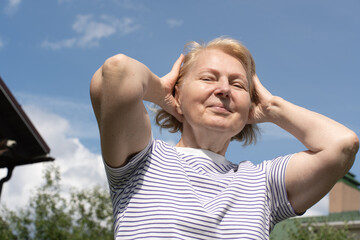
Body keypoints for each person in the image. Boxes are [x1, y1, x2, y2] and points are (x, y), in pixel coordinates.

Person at [90, 37, 359, 240]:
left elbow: (342, 144)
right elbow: (118, 71)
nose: (223, 90)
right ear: (178, 94)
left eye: (238, 84)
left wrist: (273, 109)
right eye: (208, 78)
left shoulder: (262, 185)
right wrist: (161, 91)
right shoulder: (142, 160)